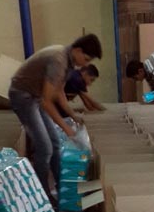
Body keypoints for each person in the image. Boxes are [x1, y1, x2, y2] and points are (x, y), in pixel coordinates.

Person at [8, 33, 102, 202]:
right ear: (77, 50)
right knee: (45, 148)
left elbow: (59, 92)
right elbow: (46, 101)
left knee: (55, 143)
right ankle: (42, 196)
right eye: (86, 59)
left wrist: (73, 116)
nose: (85, 64)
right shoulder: (58, 60)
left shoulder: (68, 63)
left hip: (35, 96)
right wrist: (67, 129)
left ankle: (63, 190)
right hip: (23, 96)